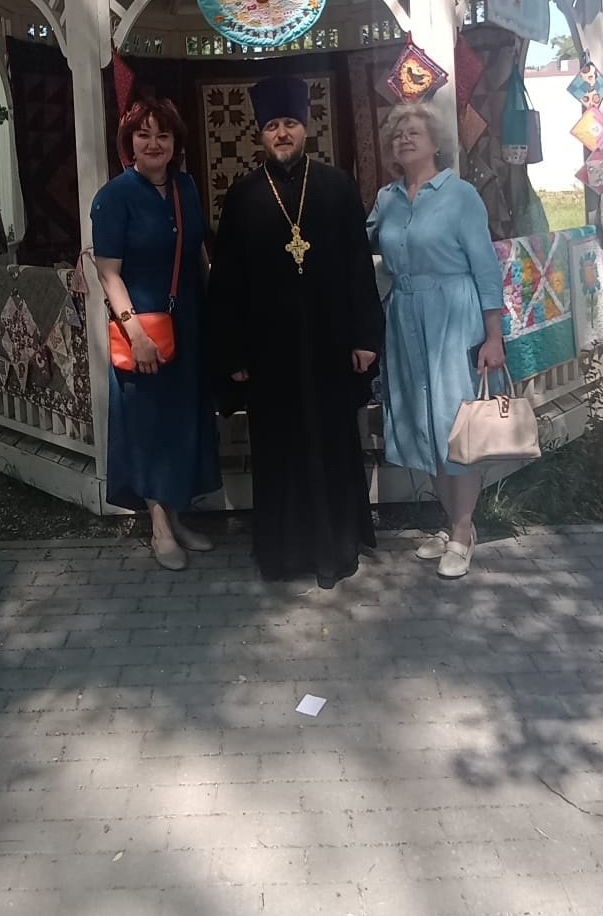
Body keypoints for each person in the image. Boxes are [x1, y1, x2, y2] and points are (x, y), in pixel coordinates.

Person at [208, 75, 384, 590]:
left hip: (330, 344)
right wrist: (234, 353)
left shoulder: (337, 187)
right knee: (279, 449)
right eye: (272, 126)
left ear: (305, 127)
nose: (281, 133)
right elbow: (227, 282)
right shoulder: (242, 196)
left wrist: (365, 337)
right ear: (260, 134)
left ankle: (334, 549)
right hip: (269, 352)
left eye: (289, 123)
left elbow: (358, 268)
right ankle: (283, 554)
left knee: (331, 443)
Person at [368, 102, 506, 580]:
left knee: (455, 426)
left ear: (435, 143)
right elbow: (360, 245)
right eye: (397, 134)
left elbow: (486, 268)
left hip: (453, 318)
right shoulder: (387, 199)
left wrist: (493, 336)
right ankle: (452, 525)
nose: (404, 139)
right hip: (405, 320)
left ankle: (463, 532)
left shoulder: (460, 195)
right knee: (423, 425)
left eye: (414, 132)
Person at [90, 99, 220, 571]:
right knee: (148, 426)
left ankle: (178, 518)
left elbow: (198, 252)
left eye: (162, 135)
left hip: (188, 322)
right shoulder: (113, 196)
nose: (153, 143)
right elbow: (108, 273)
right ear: (129, 142)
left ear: (175, 143)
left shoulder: (186, 187)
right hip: (141, 328)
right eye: (143, 134)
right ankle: (159, 528)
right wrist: (136, 333)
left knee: (182, 422)